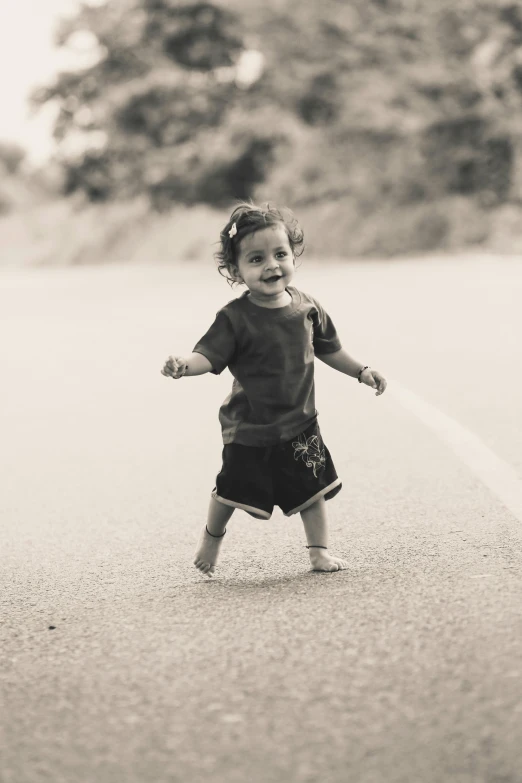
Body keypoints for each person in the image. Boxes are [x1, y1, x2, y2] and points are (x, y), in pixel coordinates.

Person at [162, 202, 387, 577]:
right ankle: (212, 536)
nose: (272, 266)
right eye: (256, 259)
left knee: (313, 490)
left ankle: (319, 552)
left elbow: (330, 350)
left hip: (299, 423)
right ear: (236, 271)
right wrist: (183, 366)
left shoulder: (308, 308)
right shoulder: (234, 318)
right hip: (249, 428)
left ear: (293, 255)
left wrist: (362, 371)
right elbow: (208, 355)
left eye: (280, 254)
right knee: (230, 491)